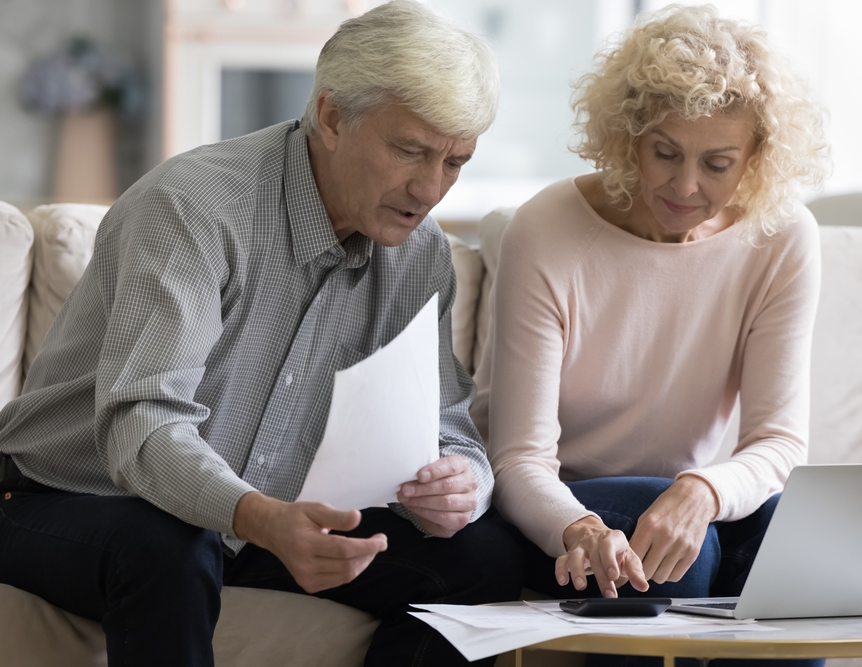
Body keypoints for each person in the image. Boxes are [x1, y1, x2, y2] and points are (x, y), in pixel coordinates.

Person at [0, 2, 522, 665]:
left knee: (487, 556)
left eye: (456, 162)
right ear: (332, 116)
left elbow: (446, 420)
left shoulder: (420, 255)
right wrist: (259, 517)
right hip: (69, 499)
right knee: (168, 541)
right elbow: (145, 422)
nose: (431, 188)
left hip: (257, 522)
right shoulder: (194, 209)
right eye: (410, 150)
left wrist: (464, 482)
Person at [472, 5, 828, 666]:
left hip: (681, 500)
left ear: (755, 159)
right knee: (663, 541)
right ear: (628, 136)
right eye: (665, 153)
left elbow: (778, 441)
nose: (686, 185)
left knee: (793, 539)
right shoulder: (548, 228)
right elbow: (518, 459)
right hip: (560, 508)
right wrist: (580, 525)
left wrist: (702, 490)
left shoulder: (782, 239)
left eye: (718, 164)